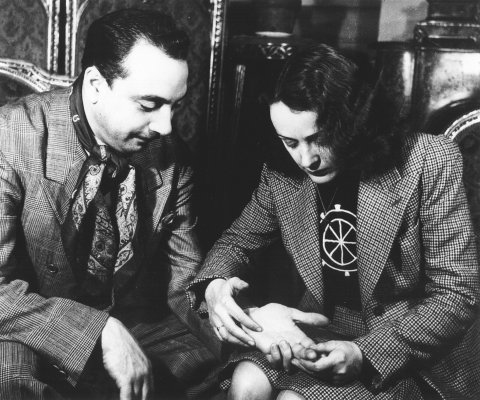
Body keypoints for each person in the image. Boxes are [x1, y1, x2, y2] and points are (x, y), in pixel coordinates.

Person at [187, 44, 480, 399]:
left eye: (318, 139)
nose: (306, 159)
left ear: (354, 122)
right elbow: (237, 242)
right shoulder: (281, 173)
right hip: (322, 330)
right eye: (289, 142)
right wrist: (215, 286)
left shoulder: (428, 159)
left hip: (404, 344)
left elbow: (456, 293)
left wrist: (364, 353)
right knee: (245, 385)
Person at [0, 8, 221, 400]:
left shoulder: (169, 153)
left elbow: (185, 284)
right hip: (25, 327)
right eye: (149, 104)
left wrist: (249, 325)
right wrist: (94, 331)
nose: (167, 127)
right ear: (97, 84)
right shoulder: (8, 139)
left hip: (133, 324)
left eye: (176, 105)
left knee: (230, 368)